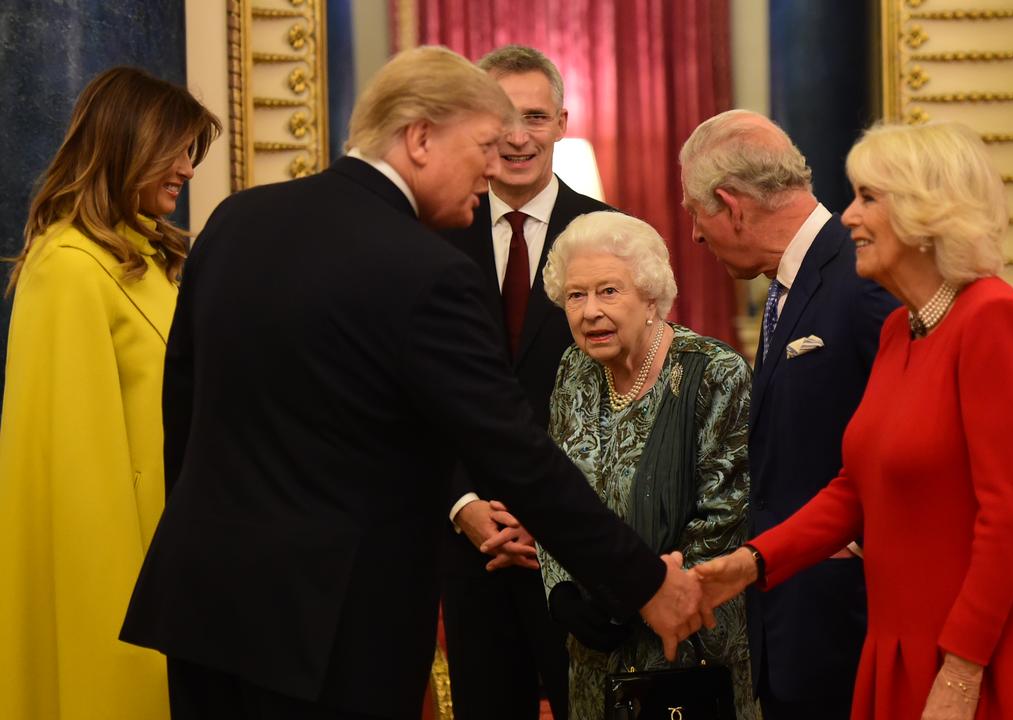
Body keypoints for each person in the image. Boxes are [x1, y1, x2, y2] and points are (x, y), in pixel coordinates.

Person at [118, 46, 707, 720]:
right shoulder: (425, 269)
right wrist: (644, 583)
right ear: (420, 138)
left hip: (200, 601)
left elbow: (184, 412)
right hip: (333, 626)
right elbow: (515, 454)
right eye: (483, 145)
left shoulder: (232, 222)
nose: (493, 167)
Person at [695, 122, 1013, 720]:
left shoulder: (995, 321)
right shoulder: (899, 329)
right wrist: (753, 561)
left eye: (868, 198)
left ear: (926, 212)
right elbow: (855, 489)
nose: (848, 218)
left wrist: (963, 670)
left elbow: (1011, 516)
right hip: (901, 641)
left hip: (982, 648)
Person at [0, 66, 220, 720]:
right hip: (118, 584)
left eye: (191, 151)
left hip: (175, 564)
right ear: (128, 144)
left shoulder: (147, 257)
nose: (186, 167)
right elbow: (78, 479)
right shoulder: (67, 265)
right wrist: (119, 633)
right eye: (176, 149)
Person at [678, 109, 898, 719]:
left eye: (696, 212)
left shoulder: (861, 277)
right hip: (792, 623)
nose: (695, 235)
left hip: (849, 625)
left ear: (731, 205)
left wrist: (859, 543)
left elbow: (912, 436)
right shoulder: (789, 285)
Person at [437, 44, 612, 720]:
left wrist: (549, 518)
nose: (516, 136)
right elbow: (411, 392)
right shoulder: (430, 233)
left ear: (562, 122)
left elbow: (631, 393)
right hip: (467, 538)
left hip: (575, 543)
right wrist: (463, 504)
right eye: (501, 116)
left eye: (534, 117)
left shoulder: (611, 232)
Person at [532, 210, 757, 720]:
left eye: (608, 291)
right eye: (575, 295)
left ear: (651, 296)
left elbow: (724, 518)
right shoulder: (574, 369)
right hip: (594, 651)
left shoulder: (714, 373)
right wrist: (563, 593)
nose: (589, 312)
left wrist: (631, 594)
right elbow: (554, 493)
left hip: (688, 644)